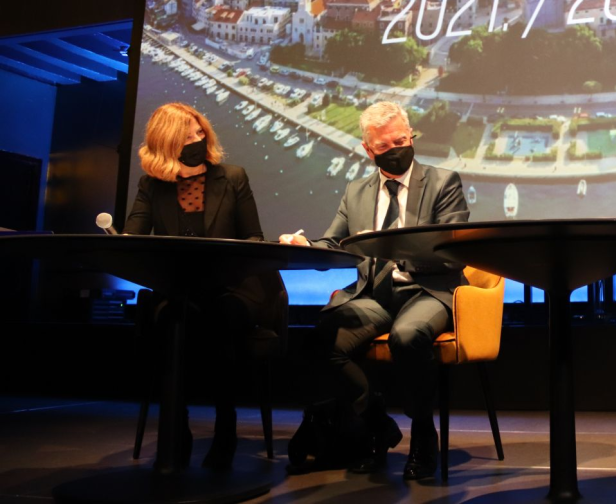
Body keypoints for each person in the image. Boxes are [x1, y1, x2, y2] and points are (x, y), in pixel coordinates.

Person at [281, 101, 469, 480]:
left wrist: (394, 248)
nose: (396, 149)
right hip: (377, 294)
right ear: (368, 150)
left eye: (401, 139)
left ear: (411, 135)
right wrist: (304, 248)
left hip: (428, 289)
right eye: (385, 146)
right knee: (323, 342)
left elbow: (453, 252)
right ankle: (375, 423)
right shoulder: (356, 192)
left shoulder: (442, 182)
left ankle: (422, 432)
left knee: (407, 336)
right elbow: (334, 244)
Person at [123, 102, 286, 470]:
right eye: (187, 137)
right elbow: (134, 238)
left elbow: (253, 237)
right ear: (167, 144)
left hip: (234, 290)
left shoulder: (233, 176)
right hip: (180, 292)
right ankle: (176, 433)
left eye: (200, 133)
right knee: (169, 319)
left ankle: (225, 430)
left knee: (219, 316)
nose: (198, 140)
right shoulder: (151, 185)